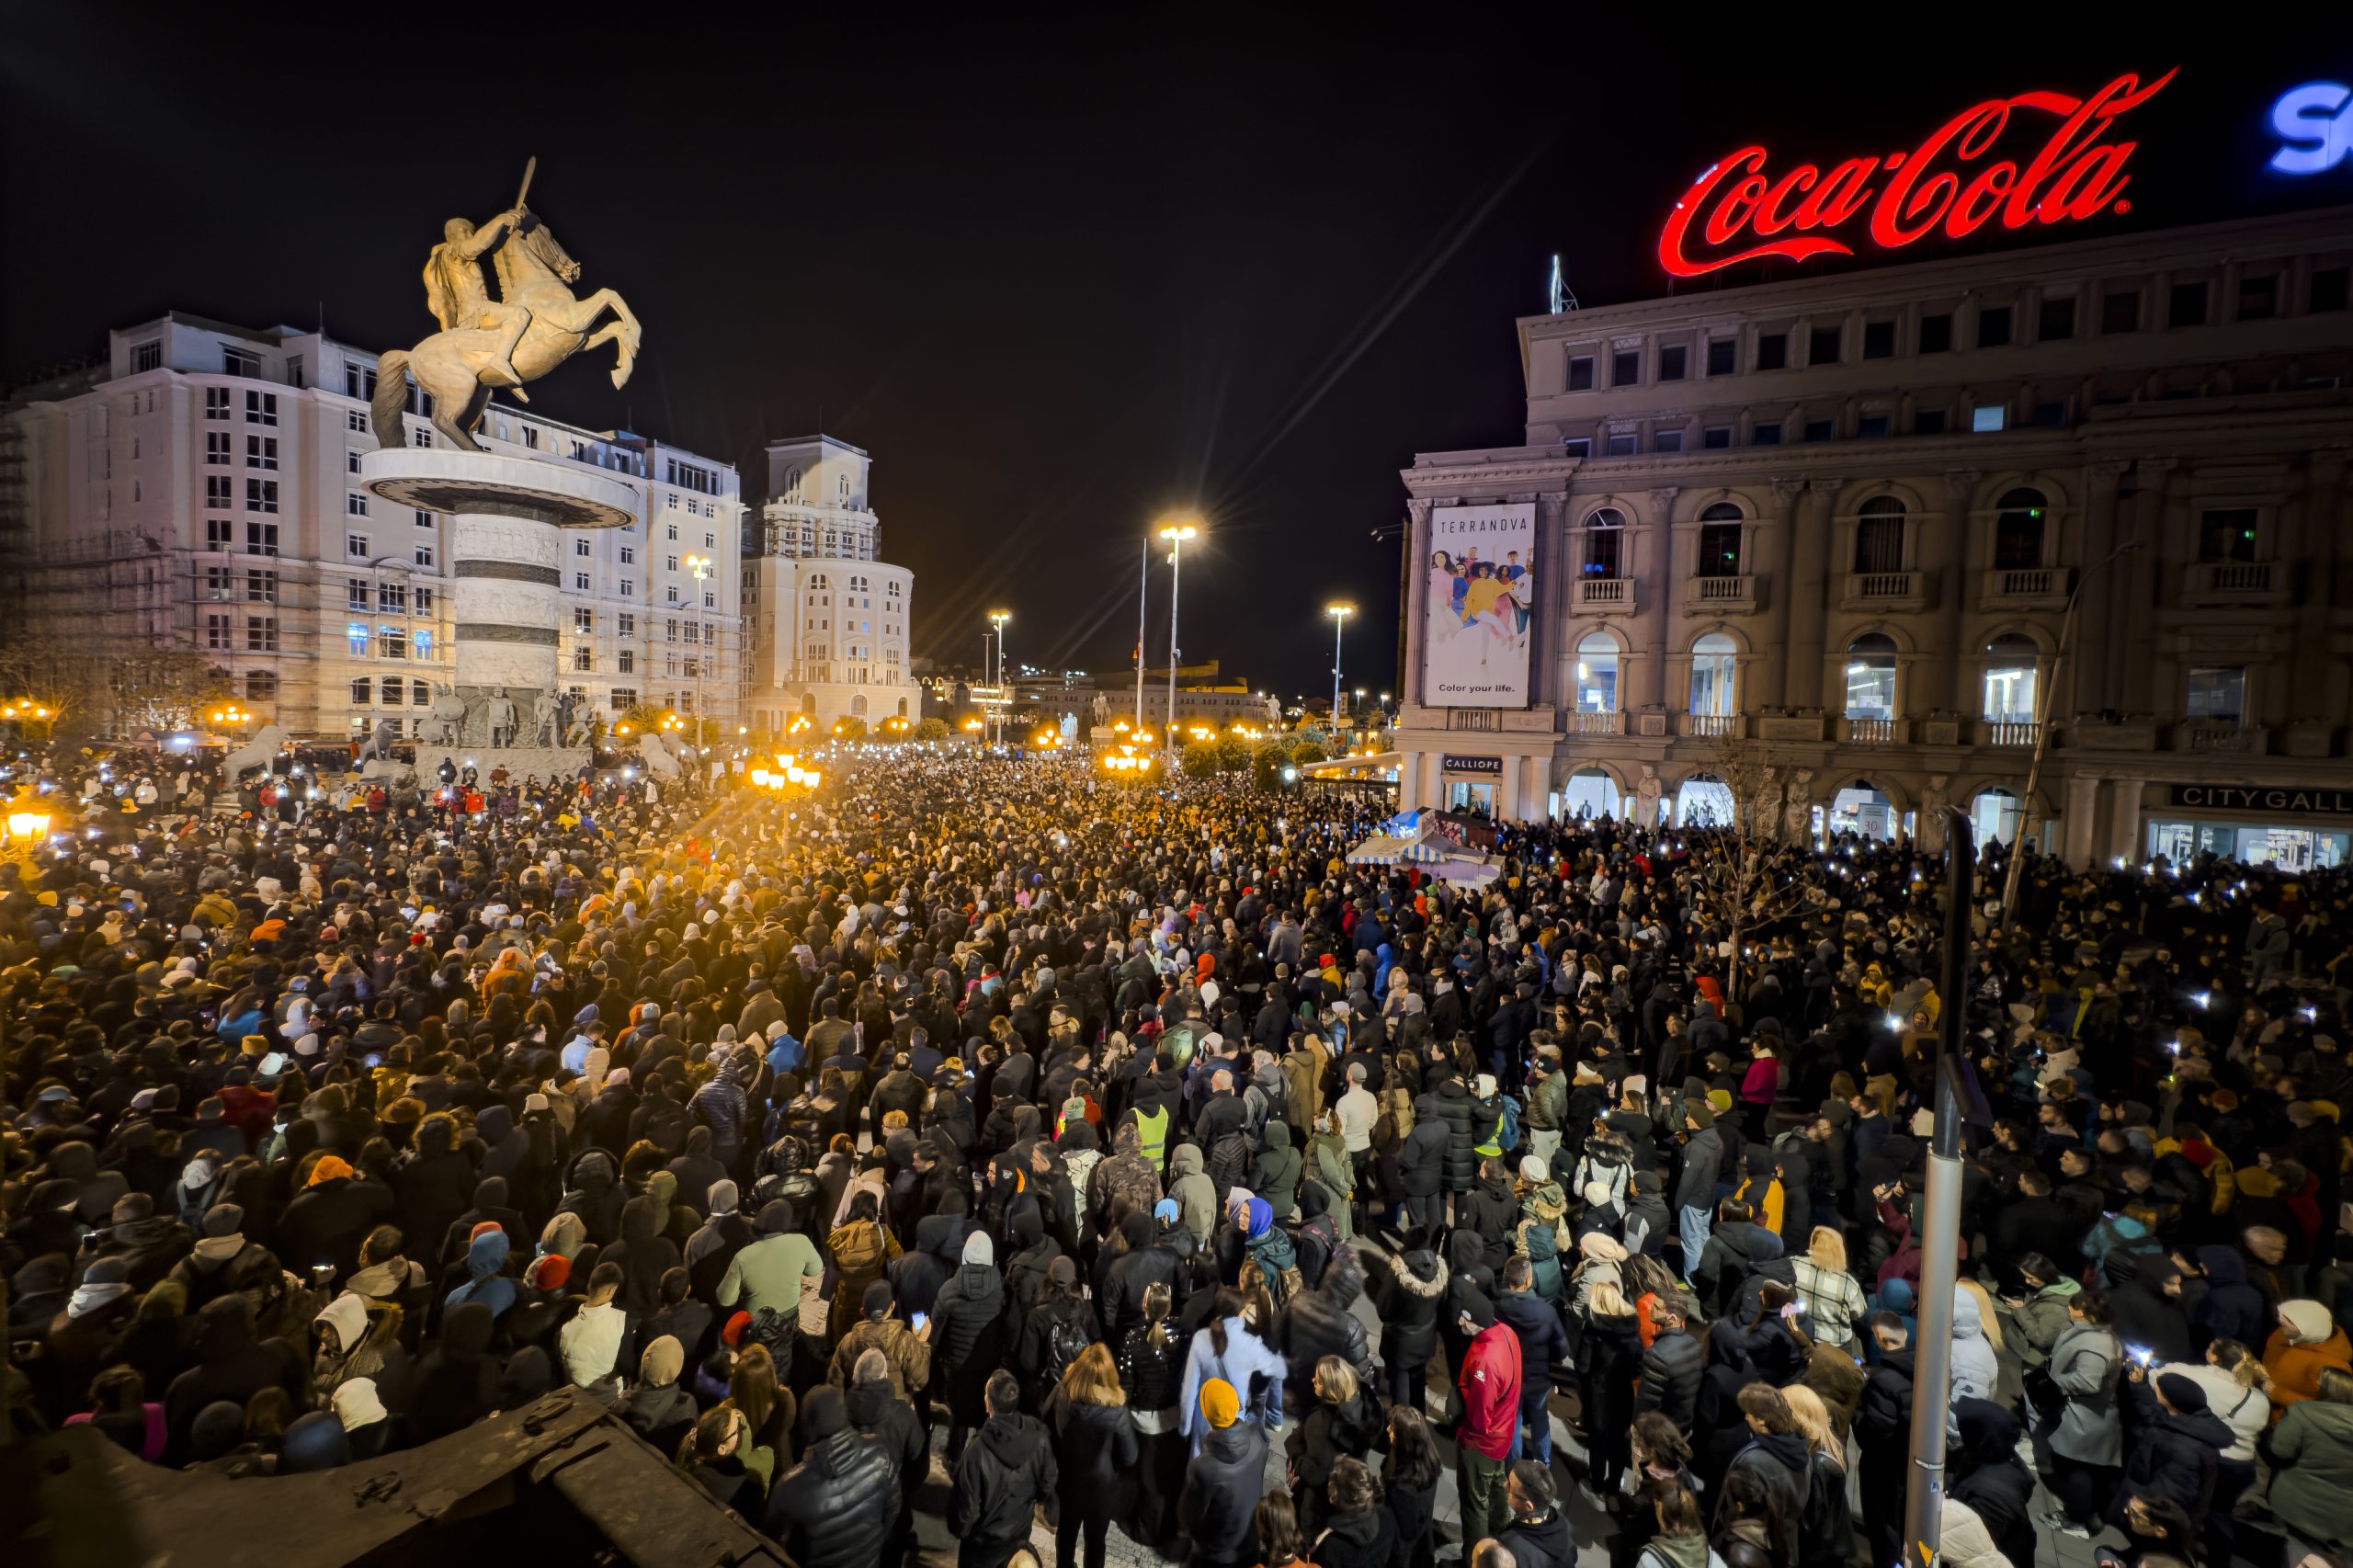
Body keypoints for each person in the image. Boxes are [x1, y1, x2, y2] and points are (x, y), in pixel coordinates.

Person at [766, 1385, 901, 1568]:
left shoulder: (789, 1487)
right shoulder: (880, 1455)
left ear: (807, 1427)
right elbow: (891, 1512)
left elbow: (772, 1548)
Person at [949, 1369, 1059, 1568]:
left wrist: (961, 1531)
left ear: (988, 1403)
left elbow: (966, 1511)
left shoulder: (976, 1451)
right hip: (1018, 1536)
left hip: (982, 1547)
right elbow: (1048, 1481)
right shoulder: (1038, 1437)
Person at [1045, 1343, 1140, 1568]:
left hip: (1067, 1480)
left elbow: (1045, 1421)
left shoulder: (1062, 1392)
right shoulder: (1116, 1411)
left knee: (1066, 1533)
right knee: (1096, 1540)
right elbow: (1130, 1456)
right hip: (1101, 1488)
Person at [1178, 1378, 1267, 1568]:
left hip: (1214, 1557)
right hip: (1249, 1545)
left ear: (1206, 1413)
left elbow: (1189, 1518)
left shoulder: (1203, 1467)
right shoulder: (1258, 1440)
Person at [2266, 1363, 2353, 1558]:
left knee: (2297, 1553)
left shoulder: (2302, 1413)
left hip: (2300, 1505)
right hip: (2344, 1515)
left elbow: (2280, 1451)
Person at [1455, 1296, 1521, 1545]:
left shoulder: (1486, 1361)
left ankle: (1476, 1556)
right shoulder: (1506, 1332)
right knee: (1496, 1486)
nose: (1460, 1321)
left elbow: (1478, 1419)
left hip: (1482, 1443)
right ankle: (1503, 1536)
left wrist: (1465, 1439)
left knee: (1474, 1503)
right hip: (1502, 1434)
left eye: (1466, 1318)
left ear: (1481, 1322)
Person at [1494, 1460, 1572, 1568]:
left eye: (1509, 1486)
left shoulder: (1512, 1545)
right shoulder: (1563, 1525)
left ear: (1528, 1506)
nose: (1504, 1486)